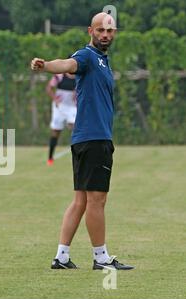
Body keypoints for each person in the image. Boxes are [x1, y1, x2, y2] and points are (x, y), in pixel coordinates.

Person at [31, 12, 134, 270]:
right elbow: (67, 65)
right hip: (94, 139)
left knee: (81, 200)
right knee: (97, 200)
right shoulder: (88, 56)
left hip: (86, 138)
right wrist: (45, 66)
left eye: (110, 31)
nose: (105, 35)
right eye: (100, 30)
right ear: (91, 31)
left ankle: (62, 257)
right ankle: (101, 258)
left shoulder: (103, 60)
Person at [45, 73, 77, 166]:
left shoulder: (79, 77)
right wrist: (55, 99)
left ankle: (77, 156)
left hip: (72, 107)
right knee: (56, 131)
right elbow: (49, 88)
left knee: (76, 129)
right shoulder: (59, 76)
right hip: (59, 107)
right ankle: (50, 157)